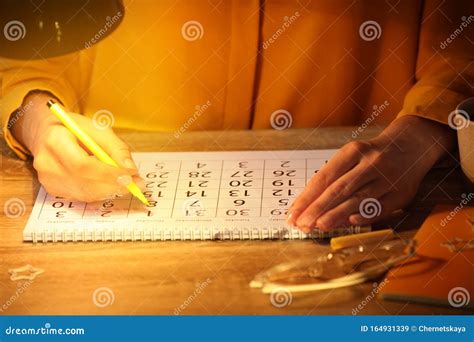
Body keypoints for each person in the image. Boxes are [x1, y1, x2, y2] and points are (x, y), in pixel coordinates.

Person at [1, 1, 472, 232]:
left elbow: (461, 45)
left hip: (370, 209)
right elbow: (25, 53)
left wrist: (424, 131)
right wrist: (38, 119)